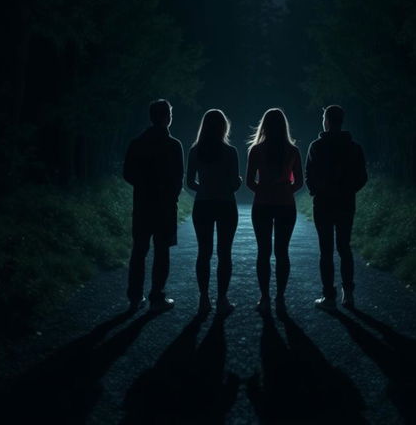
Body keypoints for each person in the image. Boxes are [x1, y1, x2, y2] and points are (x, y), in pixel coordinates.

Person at [123, 99, 184, 313]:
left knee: (139, 250)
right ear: (167, 117)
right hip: (165, 207)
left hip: (142, 204)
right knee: (161, 251)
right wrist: (170, 195)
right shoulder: (174, 145)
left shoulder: (137, 143)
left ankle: (135, 296)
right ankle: (157, 296)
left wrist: (144, 185)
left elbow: (127, 174)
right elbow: (179, 178)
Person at [305, 104, 367, 310]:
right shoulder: (354, 147)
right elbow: (362, 177)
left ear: (326, 120)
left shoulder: (316, 146)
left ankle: (329, 297)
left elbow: (309, 174)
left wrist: (317, 190)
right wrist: (348, 190)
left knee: (326, 250)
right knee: (344, 247)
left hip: (322, 204)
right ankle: (348, 294)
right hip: (346, 203)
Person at [246, 108, 303, 314]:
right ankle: (280, 297)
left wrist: (263, 189)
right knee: (282, 252)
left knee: (263, 252)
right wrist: (285, 189)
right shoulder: (293, 150)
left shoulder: (256, 150)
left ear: (264, 126)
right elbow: (299, 183)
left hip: (262, 204)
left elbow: (249, 181)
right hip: (286, 205)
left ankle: (265, 297)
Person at [187, 109, 241, 316]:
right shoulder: (230, 152)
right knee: (224, 253)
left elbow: (190, 182)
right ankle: (222, 299)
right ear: (223, 127)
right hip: (226, 204)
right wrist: (231, 184)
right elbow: (235, 184)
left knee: (204, 252)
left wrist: (205, 187)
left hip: (203, 205)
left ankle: (203, 298)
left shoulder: (195, 151)